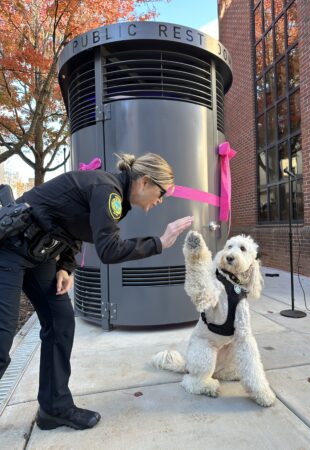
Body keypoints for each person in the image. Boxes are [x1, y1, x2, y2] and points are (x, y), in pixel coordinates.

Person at [0, 152, 193, 430]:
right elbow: (108, 250)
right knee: (1, 342)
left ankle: (54, 408)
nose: (161, 200)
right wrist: (159, 243)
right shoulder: (108, 190)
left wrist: (65, 267)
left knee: (60, 321)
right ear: (145, 182)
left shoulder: (115, 196)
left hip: (39, 254)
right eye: (161, 192)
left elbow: (75, 227)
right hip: (10, 249)